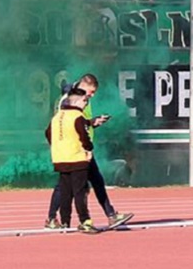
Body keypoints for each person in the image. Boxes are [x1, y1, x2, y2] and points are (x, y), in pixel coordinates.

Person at [46, 73, 131, 230]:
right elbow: (68, 121)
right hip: (77, 151)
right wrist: (86, 145)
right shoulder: (69, 99)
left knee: (85, 183)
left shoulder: (81, 100)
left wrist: (93, 123)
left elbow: (79, 121)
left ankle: (58, 220)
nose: (90, 97)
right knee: (73, 187)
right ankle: (84, 220)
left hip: (78, 149)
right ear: (83, 86)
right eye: (90, 92)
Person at [45, 87, 97, 233]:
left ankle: (65, 222)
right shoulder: (77, 117)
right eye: (85, 101)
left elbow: (48, 133)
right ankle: (85, 221)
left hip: (61, 159)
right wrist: (88, 149)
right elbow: (84, 136)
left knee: (65, 192)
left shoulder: (57, 117)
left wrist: (57, 146)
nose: (86, 104)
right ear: (76, 101)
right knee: (80, 191)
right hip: (77, 158)